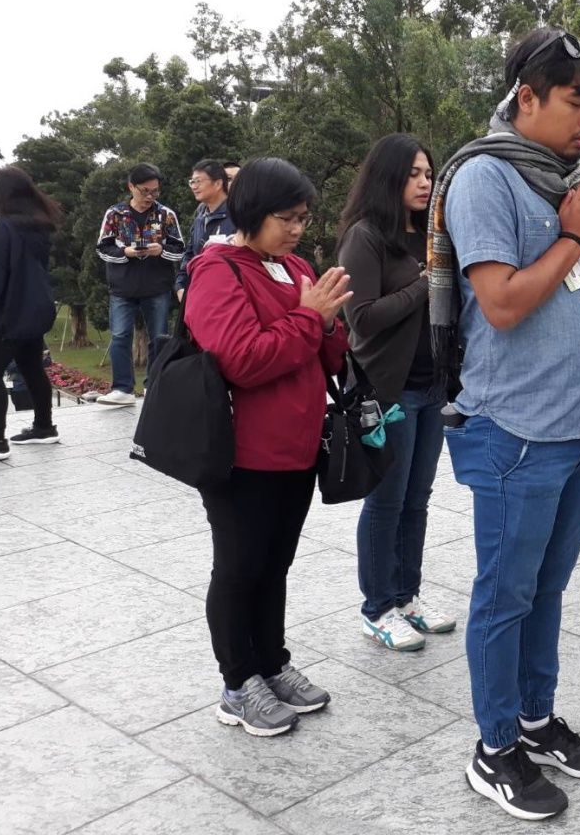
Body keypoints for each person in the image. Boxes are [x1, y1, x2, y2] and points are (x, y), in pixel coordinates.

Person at [429, 27, 580, 821]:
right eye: (575, 101)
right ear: (528, 98)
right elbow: (503, 304)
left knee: (546, 589)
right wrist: (573, 233)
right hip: (514, 433)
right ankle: (493, 746)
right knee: (504, 596)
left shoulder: (563, 181)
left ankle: (536, 722)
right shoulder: (486, 178)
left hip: (576, 430)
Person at [184, 157, 353, 736]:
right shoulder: (218, 272)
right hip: (241, 455)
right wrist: (310, 319)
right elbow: (243, 360)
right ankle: (237, 682)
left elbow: (328, 354)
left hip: (296, 448)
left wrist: (329, 324)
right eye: (288, 218)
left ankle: (272, 663)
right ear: (252, 212)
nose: (299, 229)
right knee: (238, 567)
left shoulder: (294, 266)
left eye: (304, 217)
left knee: (275, 564)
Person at [338, 133, 455, 653]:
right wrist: (421, 286)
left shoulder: (432, 236)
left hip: (433, 388)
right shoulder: (366, 237)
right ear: (388, 177)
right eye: (413, 174)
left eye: (429, 174)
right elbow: (359, 318)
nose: (425, 182)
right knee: (386, 502)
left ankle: (407, 596)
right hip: (389, 391)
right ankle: (376, 607)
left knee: (418, 500)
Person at [0, 168, 62, 463]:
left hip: (11, 313)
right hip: (35, 310)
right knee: (31, 366)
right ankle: (44, 427)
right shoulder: (38, 225)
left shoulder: (5, 228)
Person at [94, 163, 185, 405]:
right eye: (145, 191)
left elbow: (181, 250)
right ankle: (122, 388)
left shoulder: (166, 214)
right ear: (131, 187)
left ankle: (154, 385)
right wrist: (126, 252)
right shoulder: (115, 214)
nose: (150, 197)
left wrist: (162, 249)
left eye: (155, 191)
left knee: (159, 337)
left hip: (156, 287)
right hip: (122, 288)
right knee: (121, 335)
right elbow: (102, 248)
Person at [176, 159, 238, 300]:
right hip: (200, 295)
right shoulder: (200, 217)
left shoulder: (238, 216)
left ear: (217, 183)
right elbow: (190, 253)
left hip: (229, 297)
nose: (194, 186)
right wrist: (180, 285)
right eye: (192, 182)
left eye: (198, 181)